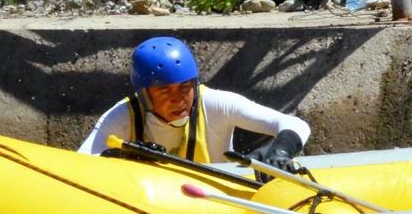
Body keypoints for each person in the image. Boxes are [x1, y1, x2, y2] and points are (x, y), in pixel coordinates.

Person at [78, 35, 310, 170]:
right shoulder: (123, 116)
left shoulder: (217, 104)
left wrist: (280, 150)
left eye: (185, 88)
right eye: (164, 91)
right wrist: (124, 157)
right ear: (145, 95)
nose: (178, 99)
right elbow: (79, 165)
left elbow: (296, 125)